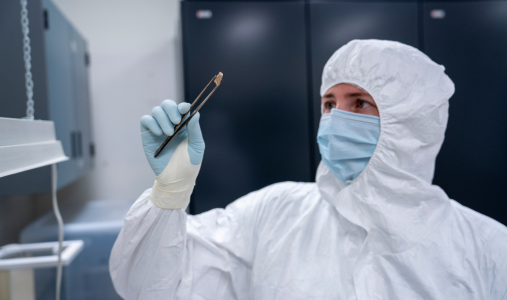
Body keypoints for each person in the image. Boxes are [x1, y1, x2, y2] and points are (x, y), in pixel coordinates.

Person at [110, 40, 507, 299]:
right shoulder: (274, 212)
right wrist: (169, 195)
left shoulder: (487, 249)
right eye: (330, 104)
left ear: (413, 123)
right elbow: (154, 287)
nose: (336, 119)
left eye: (360, 103)